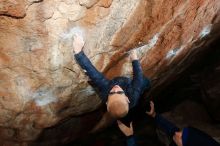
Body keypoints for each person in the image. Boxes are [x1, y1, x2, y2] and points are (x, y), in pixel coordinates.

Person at [72, 34, 150, 122]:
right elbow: (138, 77)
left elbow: (94, 74)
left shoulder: (106, 90)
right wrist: (134, 59)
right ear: (127, 99)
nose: (116, 89)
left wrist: (78, 52)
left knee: (96, 82)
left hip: (113, 84)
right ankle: (148, 88)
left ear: (107, 102)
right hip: (129, 85)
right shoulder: (133, 94)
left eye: (112, 93)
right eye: (120, 92)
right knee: (144, 82)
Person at [117, 101, 220, 146]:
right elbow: (172, 129)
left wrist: (130, 137)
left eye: (181, 137)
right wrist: (154, 115)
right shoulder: (183, 139)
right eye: (181, 131)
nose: (177, 133)